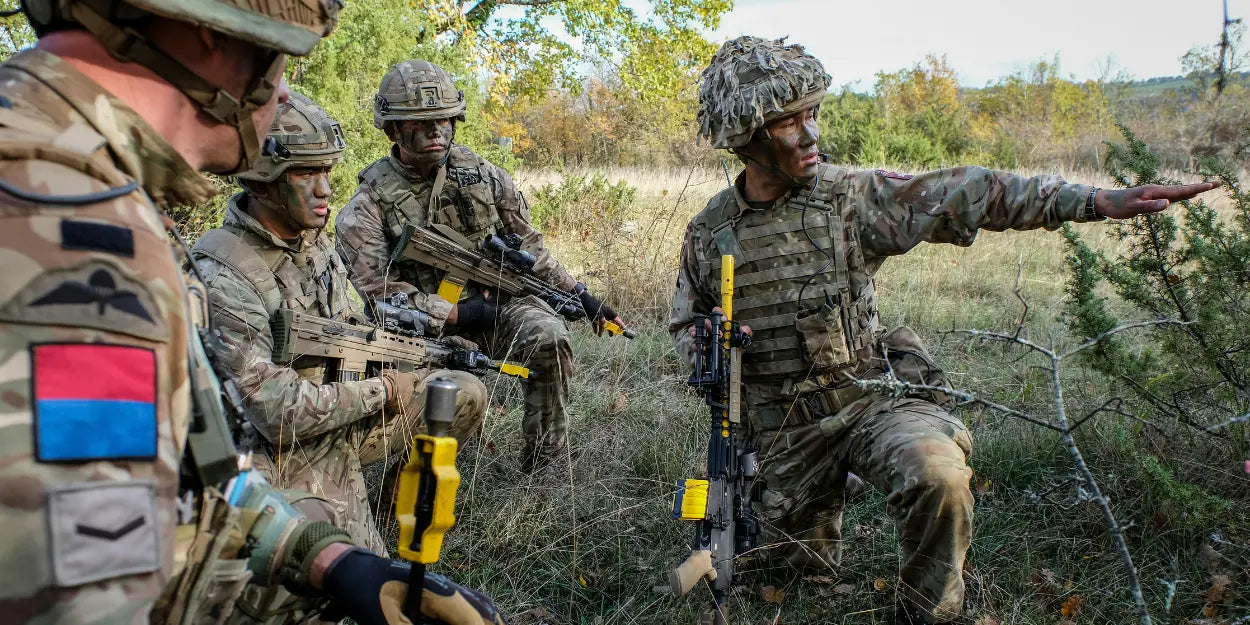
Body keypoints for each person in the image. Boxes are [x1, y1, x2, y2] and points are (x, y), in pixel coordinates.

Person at [668, 35, 1219, 625]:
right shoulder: (711, 234)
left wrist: (1095, 200)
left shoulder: (851, 200)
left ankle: (927, 614)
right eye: (787, 122)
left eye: (812, 114)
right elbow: (683, 322)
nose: (810, 134)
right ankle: (833, 489)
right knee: (779, 575)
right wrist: (700, 343)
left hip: (864, 402)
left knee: (938, 474)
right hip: (778, 428)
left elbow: (970, 190)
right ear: (746, 138)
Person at [0, 2, 502, 623]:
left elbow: (186, 467)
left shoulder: (87, 191)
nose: (282, 92)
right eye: (280, 63)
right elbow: (81, 584)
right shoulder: (58, 221)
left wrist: (327, 561)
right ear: (213, 39)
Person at [192, 91, 490, 623]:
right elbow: (273, 411)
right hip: (271, 459)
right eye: (307, 174)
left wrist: (420, 345)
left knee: (459, 393)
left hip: (335, 423)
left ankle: (399, 524)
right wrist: (381, 391)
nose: (326, 189)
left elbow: (353, 325)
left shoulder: (314, 244)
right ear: (263, 178)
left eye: (328, 170)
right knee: (343, 584)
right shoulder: (225, 274)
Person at [335, 59, 626, 471]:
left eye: (445, 119)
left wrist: (580, 294)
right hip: (419, 328)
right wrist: (454, 313)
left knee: (549, 337)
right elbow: (380, 294)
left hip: (498, 305)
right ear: (394, 128)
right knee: (422, 393)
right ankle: (409, 481)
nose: (437, 130)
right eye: (421, 122)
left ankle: (545, 464)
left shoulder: (484, 176)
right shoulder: (366, 207)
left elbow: (529, 247)